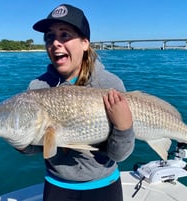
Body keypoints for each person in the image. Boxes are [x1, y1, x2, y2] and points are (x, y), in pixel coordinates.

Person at [23, 4, 135, 201]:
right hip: (57, 184)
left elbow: (119, 155)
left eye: (64, 35)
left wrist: (124, 127)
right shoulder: (37, 87)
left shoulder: (109, 84)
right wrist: (17, 138)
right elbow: (36, 149)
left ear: (85, 43)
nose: (55, 43)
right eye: (50, 37)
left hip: (104, 184)